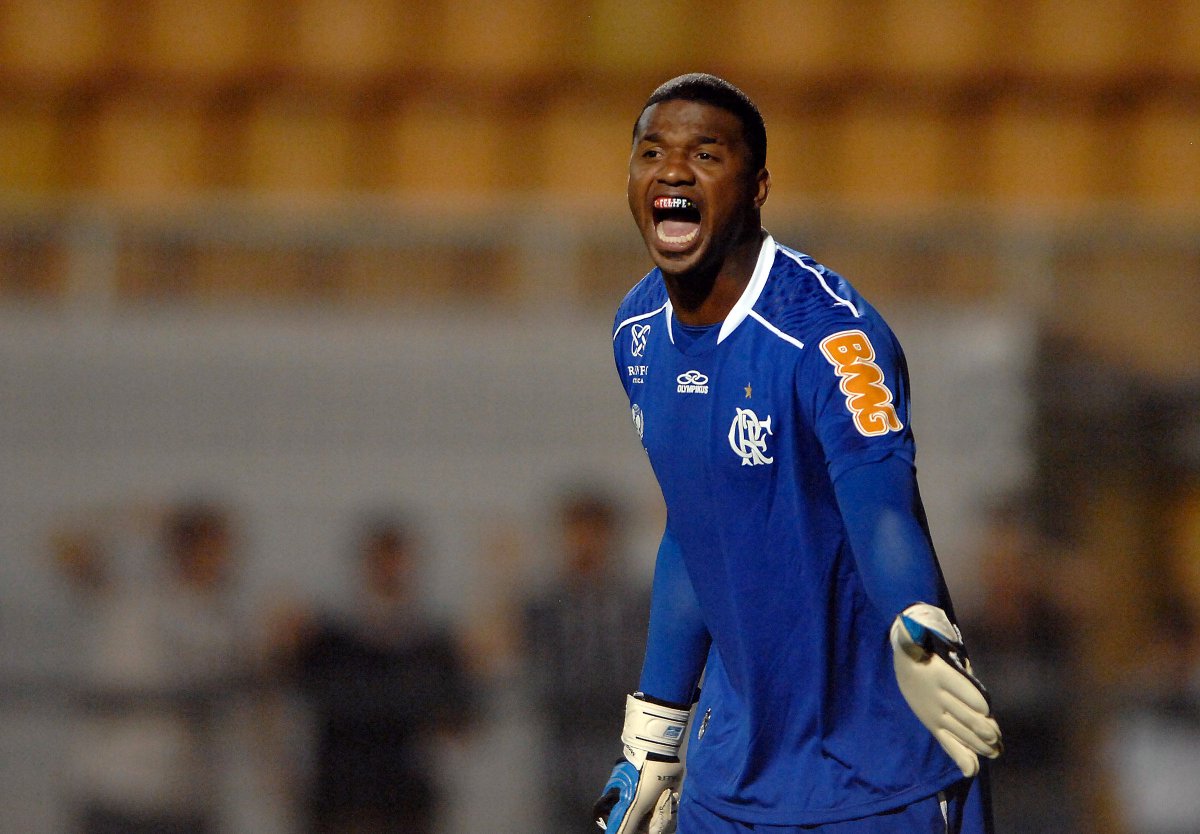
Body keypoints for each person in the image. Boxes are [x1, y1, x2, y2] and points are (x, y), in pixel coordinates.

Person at [593, 74, 1003, 834]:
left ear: (757, 187)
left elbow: (885, 515)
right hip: (731, 780)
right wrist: (656, 730)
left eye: (705, 154)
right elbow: (697, 522)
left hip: (877, 778)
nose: (674, 171)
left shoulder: (831, 337)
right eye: (652, 152)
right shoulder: (637, 329)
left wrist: (919, 623)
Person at [275, 513, 476, 834]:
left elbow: (460, 718)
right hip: (343, 797)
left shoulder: (432, 640)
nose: (392, 569)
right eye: (383, 558)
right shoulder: (331, 637)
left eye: (399, 559)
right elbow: (287, 689)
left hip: (407, 796)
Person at [522, 488, 651, 832]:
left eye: (594, 532)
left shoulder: (636, 605)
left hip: (623, 747)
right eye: (576, 532)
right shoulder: (545, 607)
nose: (585, 543)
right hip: (564, 750)